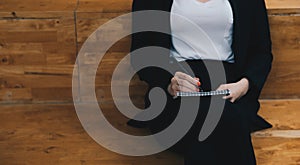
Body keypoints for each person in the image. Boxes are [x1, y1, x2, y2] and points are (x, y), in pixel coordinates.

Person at [128, 0, 273, 164]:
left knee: (221, 116)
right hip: (175, 88)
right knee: (217, 118)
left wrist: (245, 84)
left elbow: (261, 52)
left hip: (230, 87)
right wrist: (169, 84)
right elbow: (141, 54)